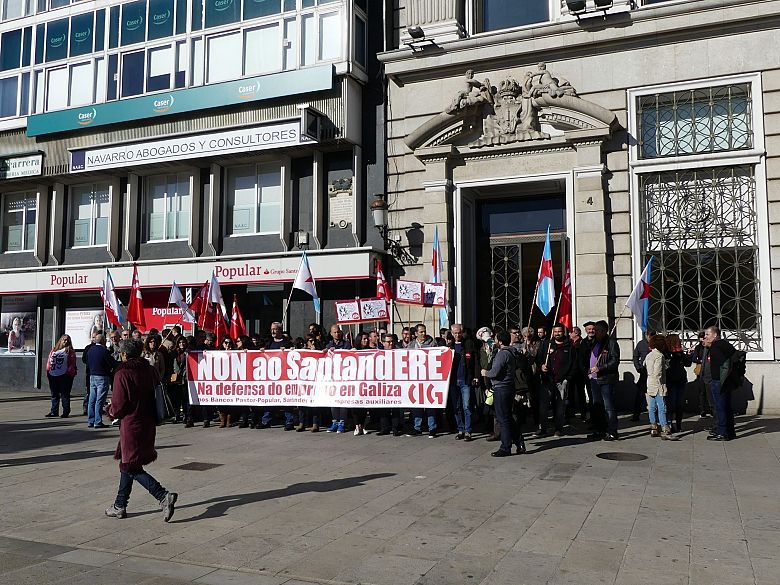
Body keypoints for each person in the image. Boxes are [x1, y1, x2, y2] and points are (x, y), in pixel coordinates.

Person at [105, 339, 178, 521]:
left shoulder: (123, 373)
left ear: (124, 354)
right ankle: (120, 505)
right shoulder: (149, 370)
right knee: (128, 463)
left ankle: (162, 495)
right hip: (148, 421)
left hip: (131, 424)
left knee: (130, 466)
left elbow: (119, 405)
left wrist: (109, 410)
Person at [482, 331, 525, 457]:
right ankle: (519, 443)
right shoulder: (511, 352)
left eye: (496, 339)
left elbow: (495, 372)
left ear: (500, 341)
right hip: (508, 387)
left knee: (503, 419)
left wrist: (485, 372)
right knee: (508, 417)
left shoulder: (502, 354)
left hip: (501, 388)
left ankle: (506, 447)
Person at [536, 323, 575, 437]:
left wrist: (568, 379)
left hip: (561, 381)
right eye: (555, 331)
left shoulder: (569, 347)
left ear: (563, 332)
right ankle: (542, 428)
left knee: (560, 407)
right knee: (543, 406)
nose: (557, 333)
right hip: (547, 380)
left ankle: (559, 429)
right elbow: (538, 359)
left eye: (559, 331)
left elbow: (574, 365)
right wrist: (541, 366)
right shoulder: (546, 345)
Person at [587, 320, 621, 441]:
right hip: (594, 379)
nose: (595, 333)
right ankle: (600, 429)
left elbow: (614, 361)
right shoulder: (595, 342)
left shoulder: (611, 343)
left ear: (604, 331)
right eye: (594, 330)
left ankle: (612, 431)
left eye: (597, 331)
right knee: (598, 406)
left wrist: (600, 368)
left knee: (609, 407)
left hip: (606, 379)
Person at [702, 326, 737, 441]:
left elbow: (720, 365)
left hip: (718, 380)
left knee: (720, 407)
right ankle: (730, 432)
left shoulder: (716, 347)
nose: (705, 337)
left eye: (707, 334)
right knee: (727, 406)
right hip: (727, 380)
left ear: (715, 335)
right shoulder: (726, 345)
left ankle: (722, 433)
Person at [407, 323, 438, 438]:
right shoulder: (411, 345)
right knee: (417, 404)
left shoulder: (432, 343)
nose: (423, 334)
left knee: (430, 403)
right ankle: (417, 427)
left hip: (429, 378)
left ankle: (432, 428)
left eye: (424, 331)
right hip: (415, 379)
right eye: (421, 332)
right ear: (415, 334)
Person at [645, 334, 677, 440]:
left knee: (652, 407)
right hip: (658, 384)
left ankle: (653, 427)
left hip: (650, 383)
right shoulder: (659, 355)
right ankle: (665, 429)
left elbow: (645, 365)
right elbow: (658, 372)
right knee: (662, 407)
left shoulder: (649, 355)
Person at [450, 323, 476, 441]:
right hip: (453, 381)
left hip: (465, 379)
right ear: (452, 333)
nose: (457, 335)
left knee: (466, 406)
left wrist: (475, 376)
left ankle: (468, 431)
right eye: (455, 333)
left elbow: (475, 360)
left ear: (462, 332)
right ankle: (460, 429)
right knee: (456, 407)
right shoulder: (448, 346)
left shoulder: (469, 343)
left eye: (459, 333)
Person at [86, 332, 117, 428]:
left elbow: (87, 362)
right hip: (102, 376)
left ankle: (91, 420)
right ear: (103, 341)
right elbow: (111, 363)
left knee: (92, 399)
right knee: (100, 399)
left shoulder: (90, 350)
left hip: (92, 376)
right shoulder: (104, 351)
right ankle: (98, 421)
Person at [325, 324, 351, 433]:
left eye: (338, 332)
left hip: (344, 377)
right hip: (332, 377)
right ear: (331, 333)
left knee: (343, 401)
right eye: (334, 332)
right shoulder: (328, 345)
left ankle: (342, 423)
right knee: (333, 401)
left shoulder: (346, 344)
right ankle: (335, 421)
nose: (337, 334)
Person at [45, 334, 77, 418]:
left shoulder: (70, 351)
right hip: (53, 374)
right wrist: (48, 372)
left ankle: (65, 412)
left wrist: (69, 374)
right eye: (64, 339)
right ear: (60, 340)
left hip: (64, 375)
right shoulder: (54, 350)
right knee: (54, 394)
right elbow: (49, 361)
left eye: (67, 340)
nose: (65, 341)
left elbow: (72, 363)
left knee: (64, 394)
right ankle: (54, 411)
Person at [665, 334, 692, 433]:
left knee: (677, 404)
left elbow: (688, 363)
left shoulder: (679, 352)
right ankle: (672, 424)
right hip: (672, 380)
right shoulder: (667, 353)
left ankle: (677, 425)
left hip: (678, 380)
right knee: (673, 403)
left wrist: (689, 354)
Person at [377, 333, 403, 436]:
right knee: (383, 406)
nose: (391, 343)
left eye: (392, 341)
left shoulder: (398, 352)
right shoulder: (378, 353)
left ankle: (396, 428)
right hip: (383, 382)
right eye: (388, 342)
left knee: (395, 406)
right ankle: (385, 428)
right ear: (383, 343)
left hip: (395, 382)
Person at [631, 331, 652, 421]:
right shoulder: (641, 344)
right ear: (646, 335)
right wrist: (638, 367)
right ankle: (636, 415)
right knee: (640, 395)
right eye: (650, 336)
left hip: (654, 373)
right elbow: (635, 356)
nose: (651, 338)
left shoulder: (657, 343)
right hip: (644, 372)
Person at [170, 336, 189, 424]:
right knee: (176, 399)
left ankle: (185, 415)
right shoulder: (174, 352)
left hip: (185, 377)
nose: (182, 344)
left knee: (184, 398)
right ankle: (176, 414)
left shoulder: (188, 352)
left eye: (183, 342)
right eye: (180, 342)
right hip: (176, 378)